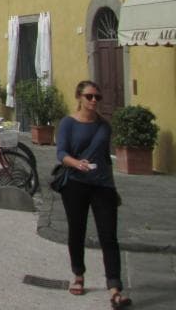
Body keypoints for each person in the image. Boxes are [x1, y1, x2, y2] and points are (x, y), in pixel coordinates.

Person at [56, 80, 131, 307]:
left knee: (109, 236)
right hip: (75, 184)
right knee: (77, 230)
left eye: (97, 97)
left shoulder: (104, 126)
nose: (94, 101)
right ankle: (78, 275)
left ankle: (115, 288)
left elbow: (104, 161)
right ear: (79, 97)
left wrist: (113, 188)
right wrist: (77, 164)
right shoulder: (68, 123)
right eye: (89, 96)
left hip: (102, 185)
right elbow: (61, 153)